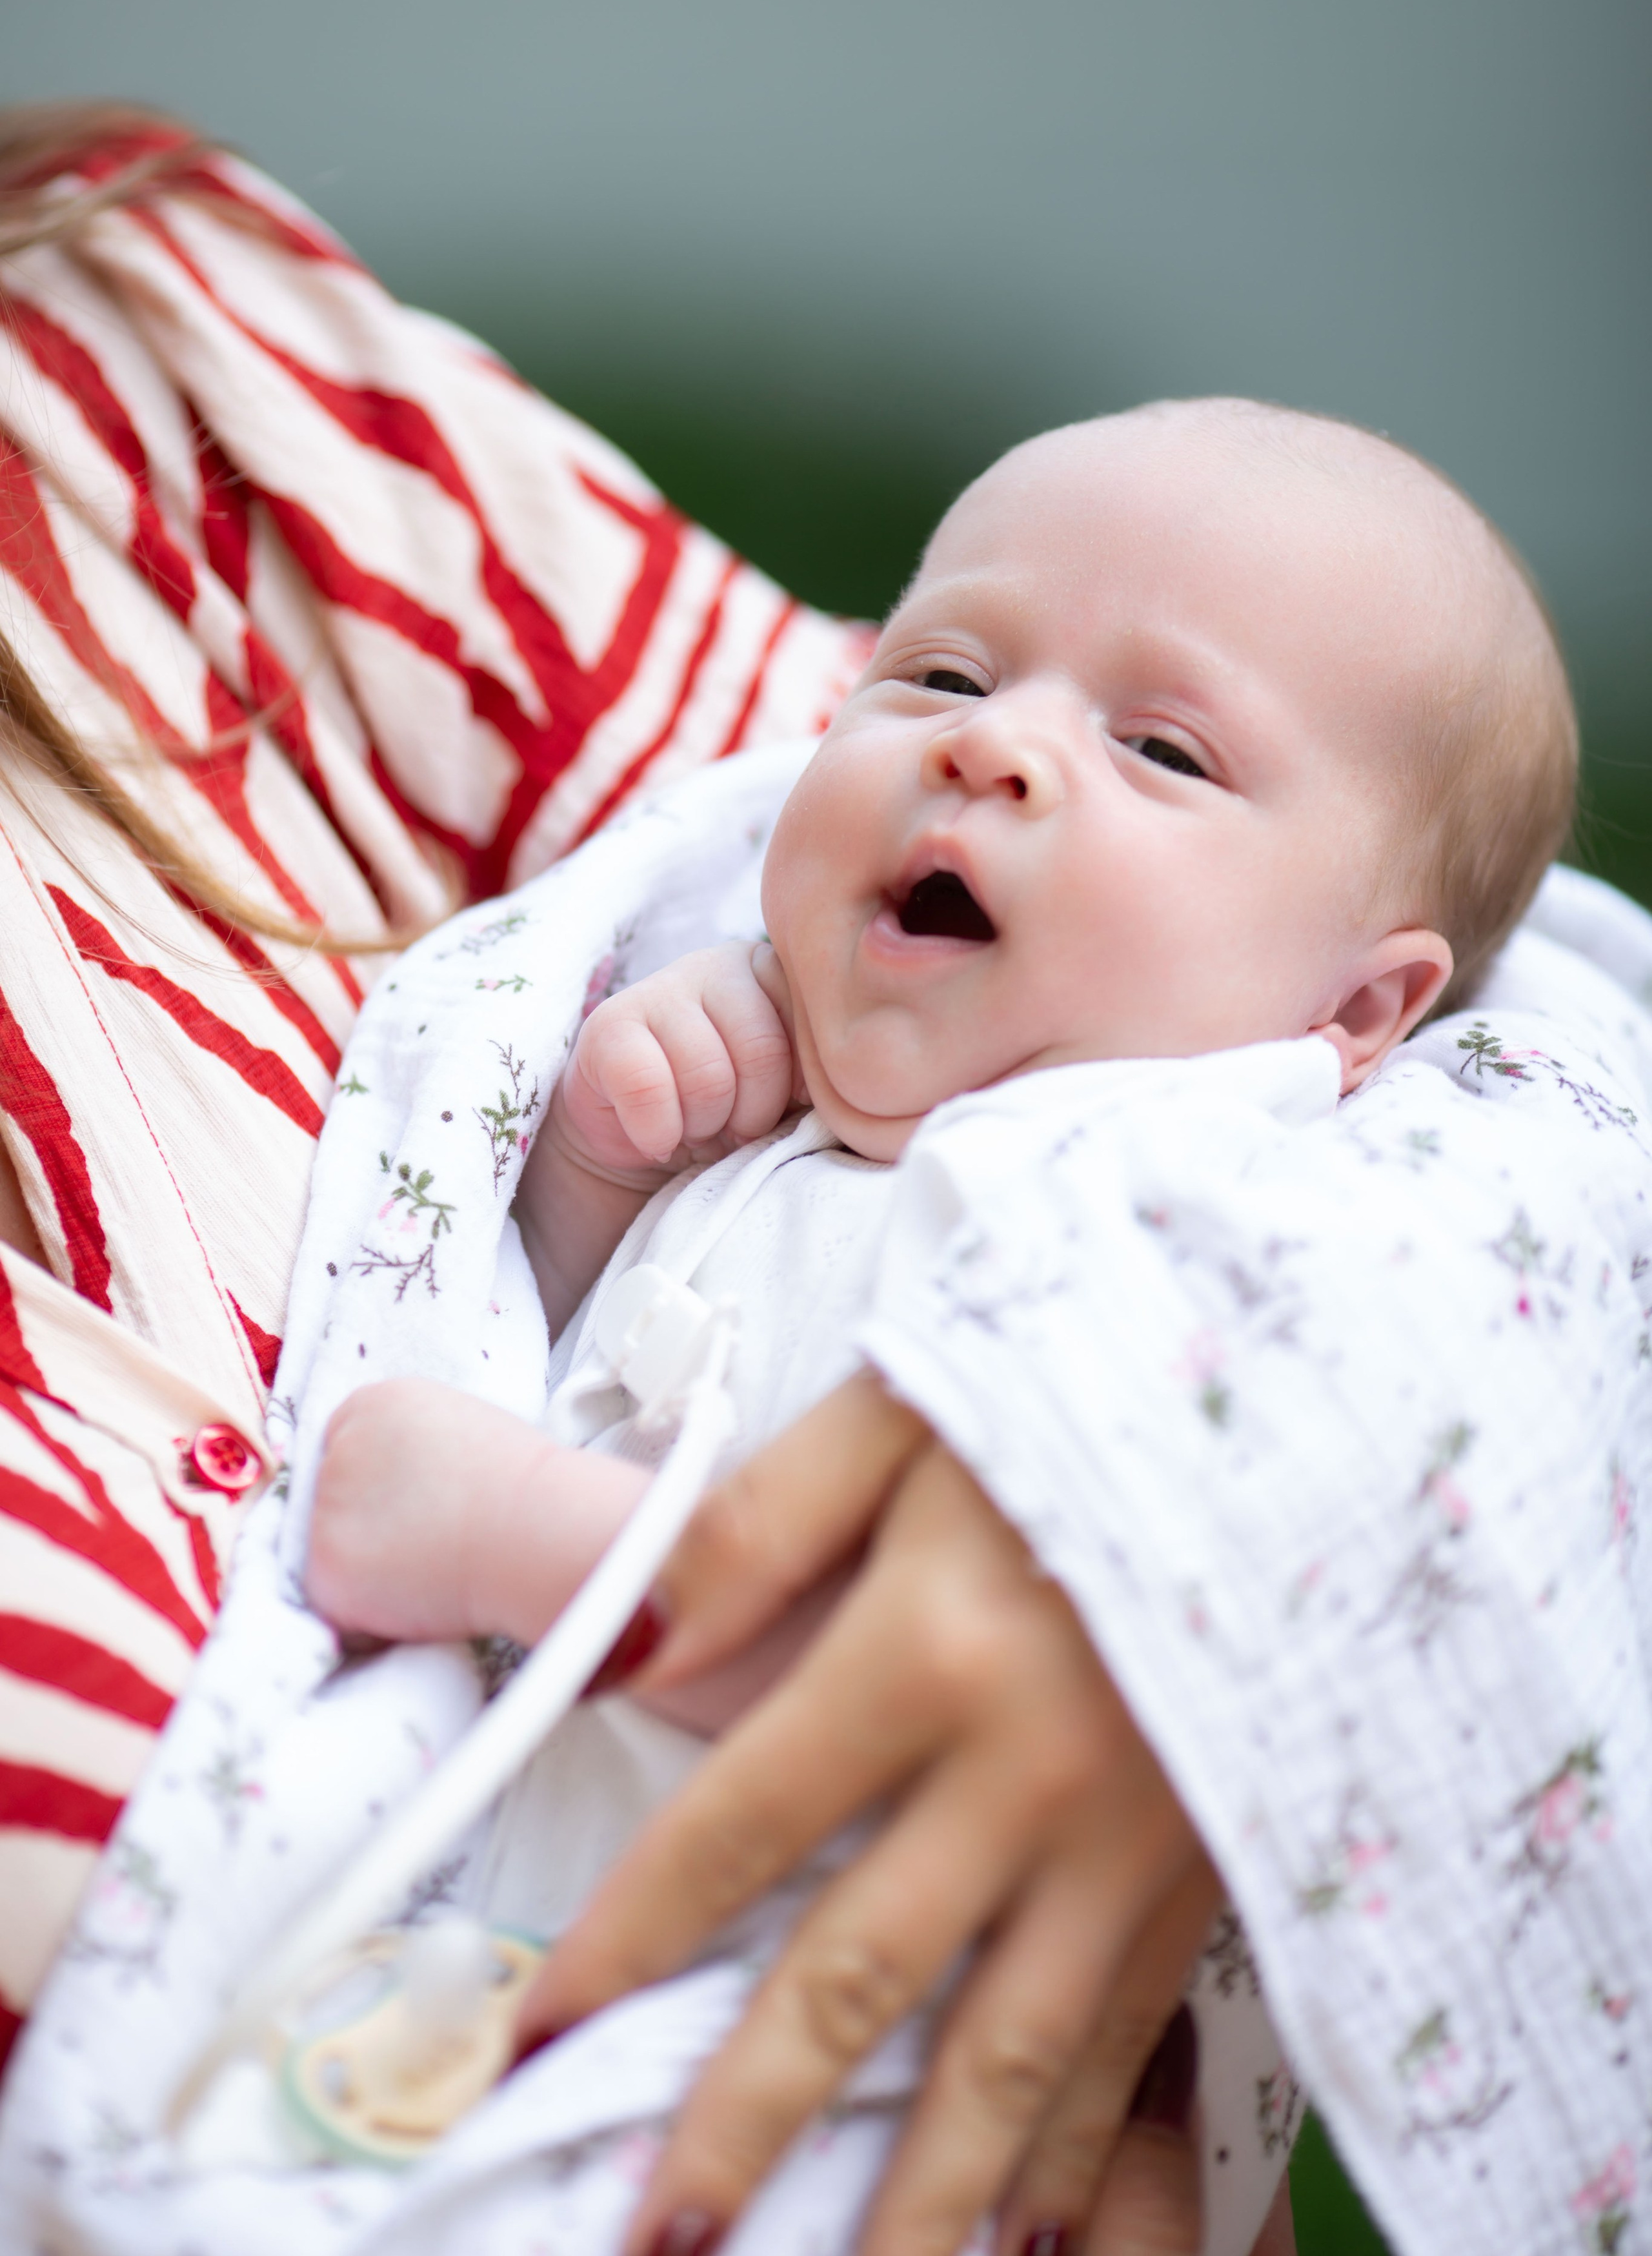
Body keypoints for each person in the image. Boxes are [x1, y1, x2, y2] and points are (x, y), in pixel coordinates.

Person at [302, 398, 1575, 2256]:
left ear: (1357, 1013)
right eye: (941, 669)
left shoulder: (1198, 1216)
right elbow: (537, 1345)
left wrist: (516, 1538)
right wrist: (586, 1166)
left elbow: (944, 1678)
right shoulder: (776, 1098)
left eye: (1163, 749)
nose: (992, 747)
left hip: (885, 2131)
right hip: (520, 2040)